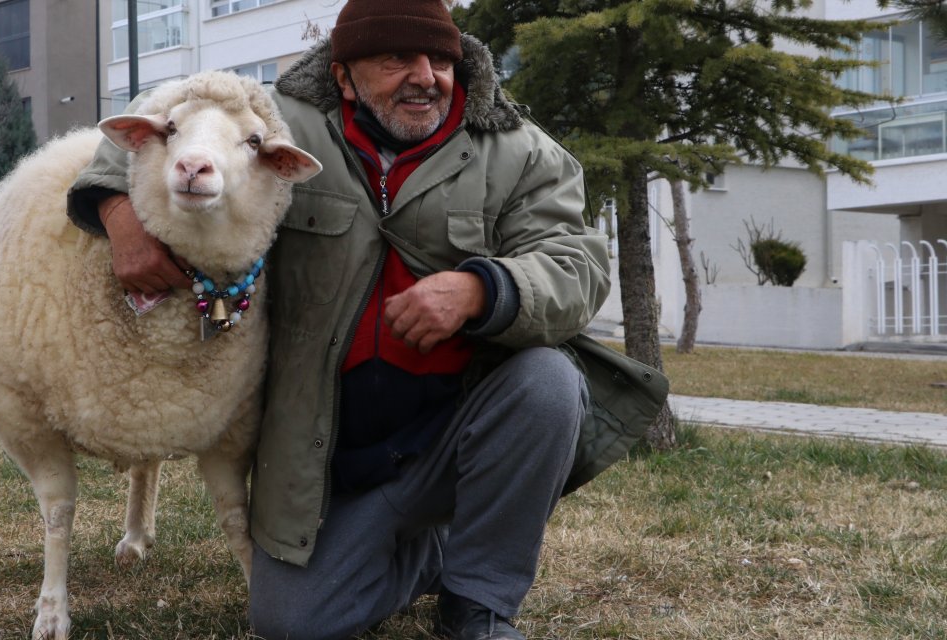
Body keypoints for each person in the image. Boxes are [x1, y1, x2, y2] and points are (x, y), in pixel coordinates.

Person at [67, 2, 666, 638]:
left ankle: (478, 603)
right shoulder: (278, 121)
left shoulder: (515, 149)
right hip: (329, 456)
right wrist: (119, 216)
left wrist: (480, 289)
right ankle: (423, 554)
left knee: (547, 383)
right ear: (345, 76)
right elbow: (146, 135)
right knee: (292, 624)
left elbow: (575, 263)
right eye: (396, 59)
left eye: (439, 59)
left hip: (455, 430)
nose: (425, 76)